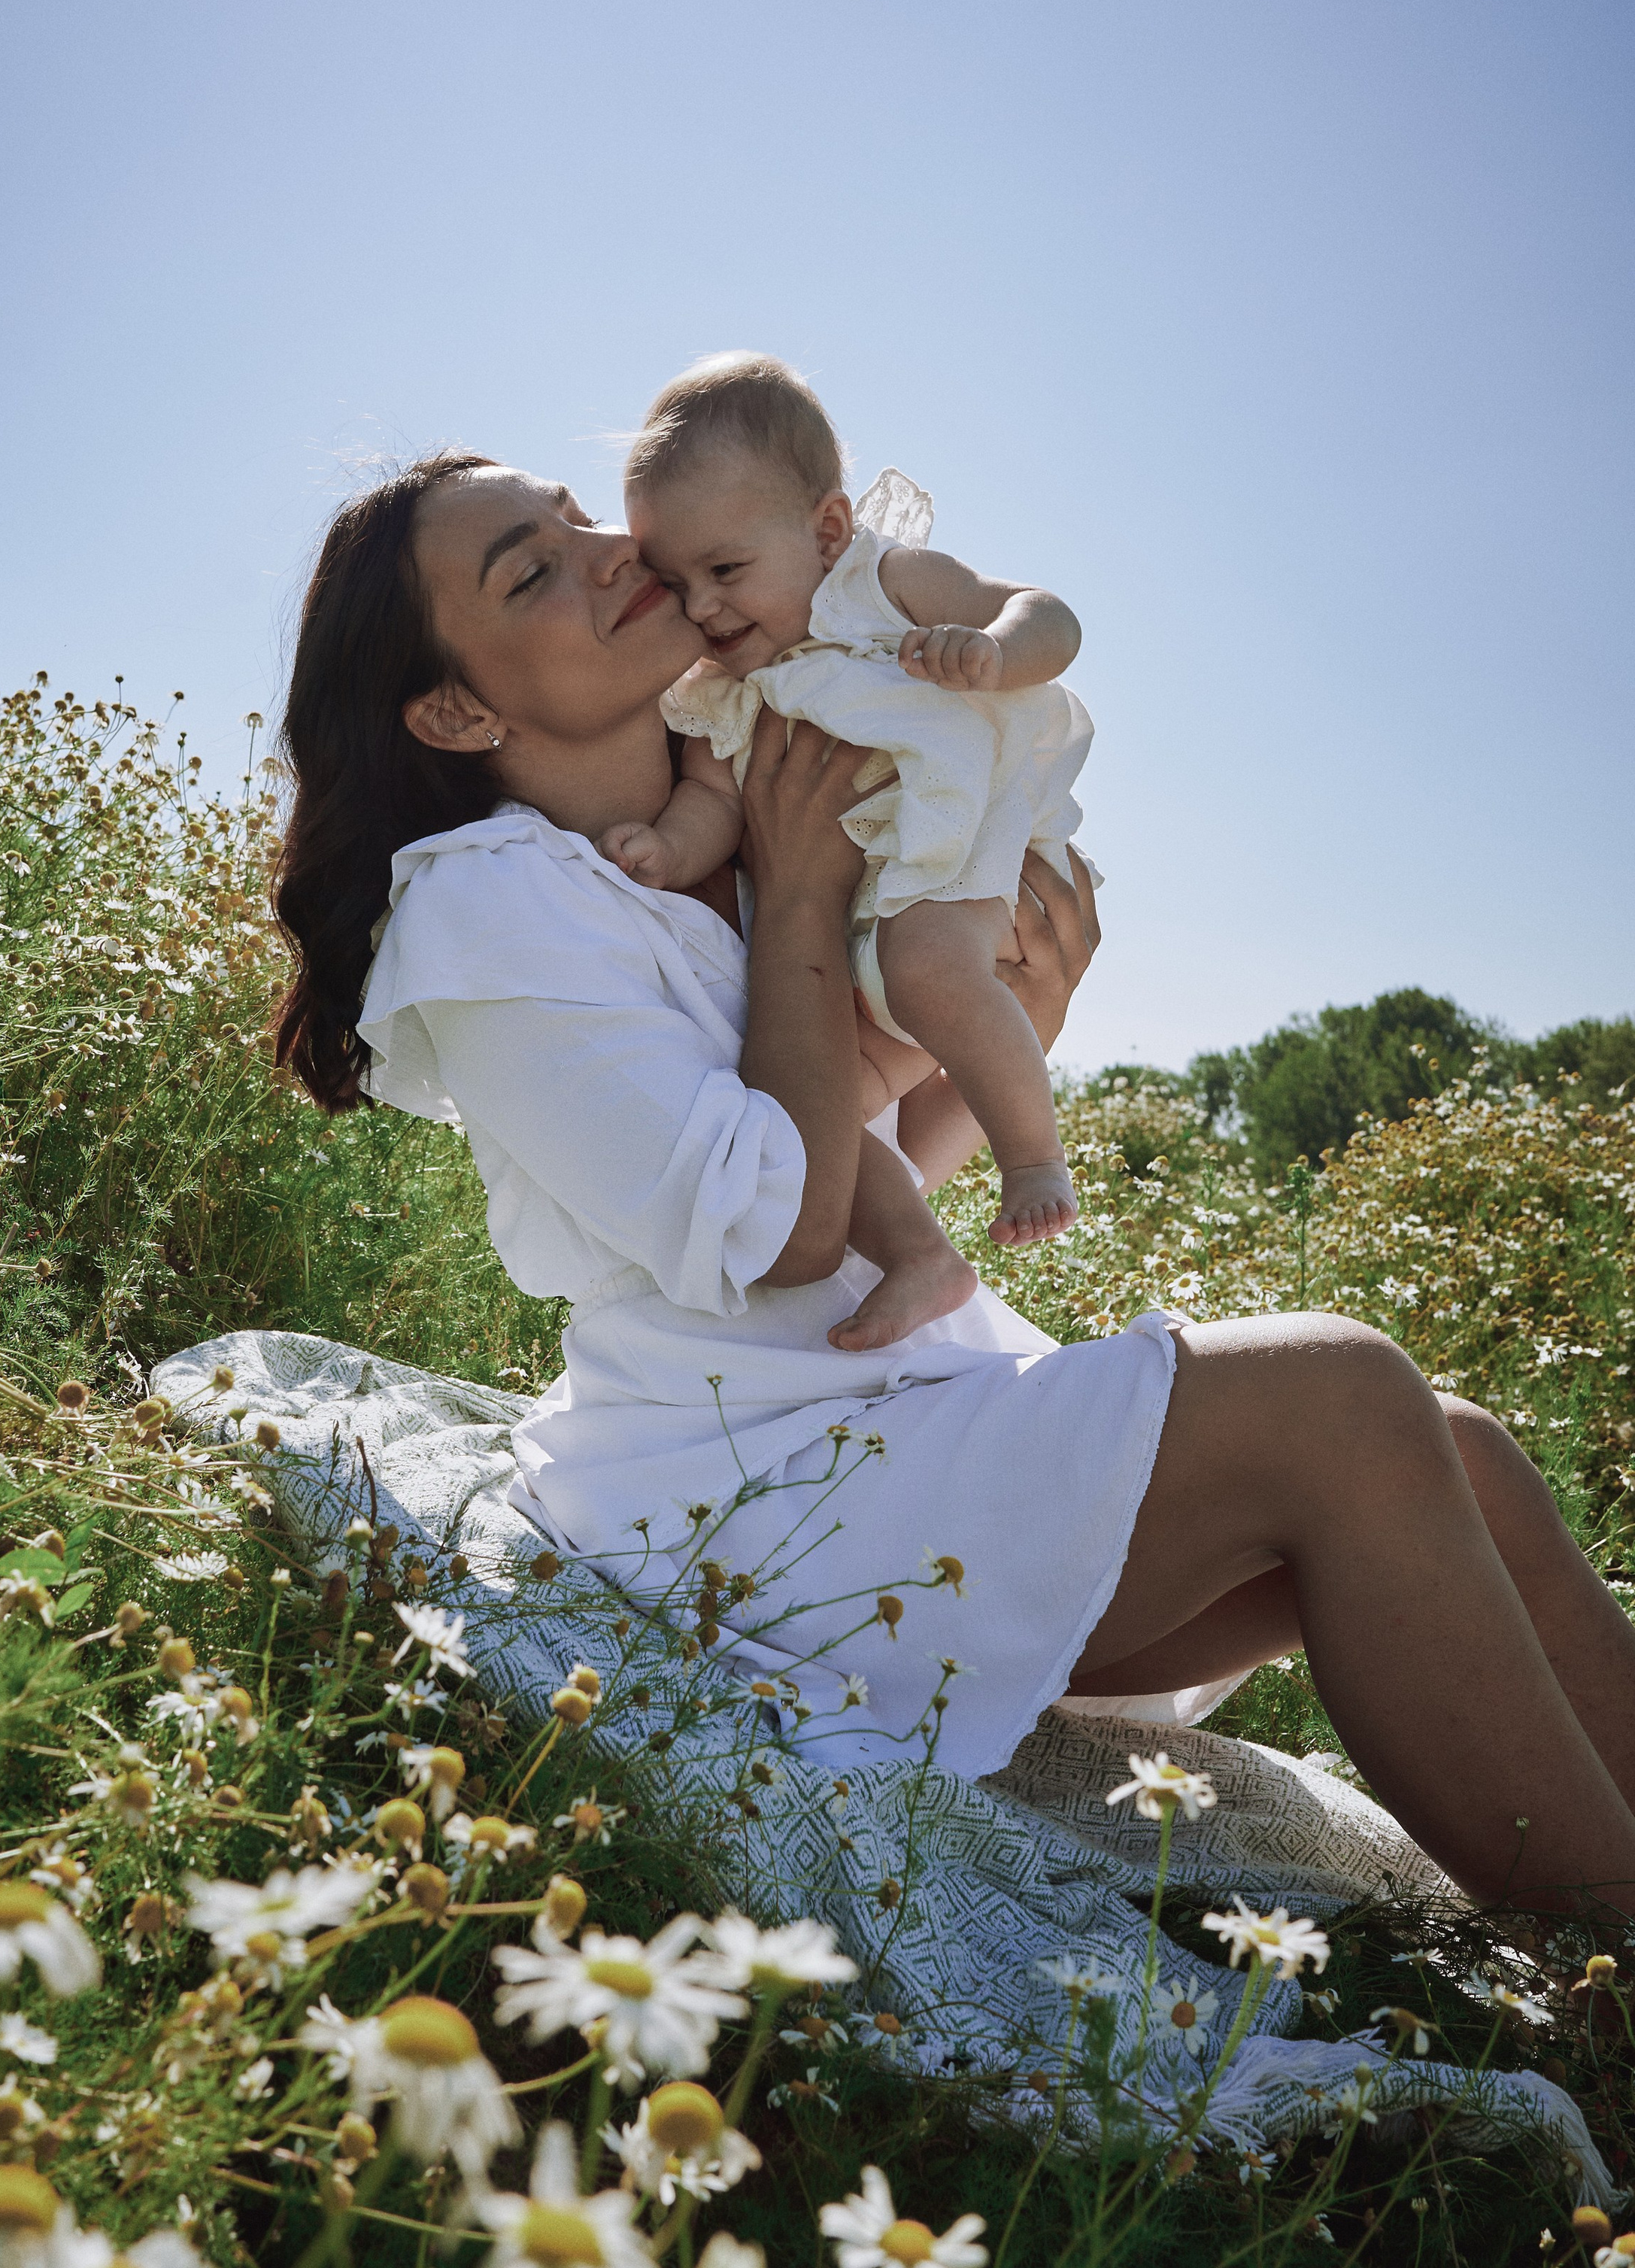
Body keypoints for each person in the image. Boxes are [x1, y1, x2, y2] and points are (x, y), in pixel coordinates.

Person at [271, 449, 1635, 1924]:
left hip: (895, 1415)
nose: (609, 550)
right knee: (1341, 1395)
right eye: (528, 570)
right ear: (458, 708)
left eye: (576, 518)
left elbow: (865, 1192)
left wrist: (1002, 1051)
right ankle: (1611, 1983)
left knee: (1465, 1456)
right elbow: (783, 1232)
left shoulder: (728, 795)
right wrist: (796, 895)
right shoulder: (491, 906)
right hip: (752, 1498)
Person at [609, 353, 1088, 1278]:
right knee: (832, 1096)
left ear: (828, 528)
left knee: (928, 971)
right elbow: (713, 800)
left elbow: (1051, 618)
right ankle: (917, 1261)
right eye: (677, 583)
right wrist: (665, 848)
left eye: (725, 568)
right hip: (864, 908)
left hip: (961, 835)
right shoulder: (721, 688)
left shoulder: (880, 585)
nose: (703, 607)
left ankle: (1034, 1159)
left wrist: (992, 650)